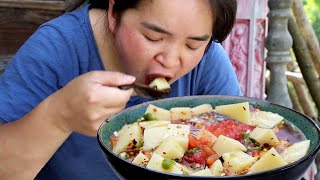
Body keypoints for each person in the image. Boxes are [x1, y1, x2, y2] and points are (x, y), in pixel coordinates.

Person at [0, 0, 241, 179]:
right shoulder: (56, 49)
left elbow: (244, 153)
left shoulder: (208, 60)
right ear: (114, 13)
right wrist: (58, 117)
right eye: (153, 37)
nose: (170, 60)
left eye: (192, 45)